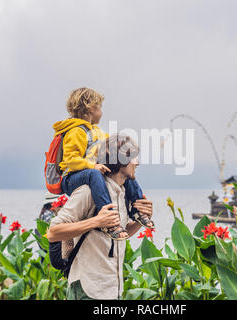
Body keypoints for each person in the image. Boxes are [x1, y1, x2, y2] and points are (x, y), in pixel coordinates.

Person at [47, 134, 153, 300]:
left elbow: (119, 235)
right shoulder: (88, 191)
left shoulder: (123, 193)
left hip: (112, 290)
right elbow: (53, 232)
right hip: (86, 290)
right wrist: (96, 221)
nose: (137, 162)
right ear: (120, 159)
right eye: (133, 157)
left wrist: (141, 220)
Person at [52, 87, 154, 240]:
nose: (101, 112)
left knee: (125, 173)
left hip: (92, 174)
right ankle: (108, 217)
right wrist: (92, 166)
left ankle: (138, 209)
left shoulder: (97, 131)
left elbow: (111, 146)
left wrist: (125, 155)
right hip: (72, 178)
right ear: (90, 108)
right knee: (94, 174)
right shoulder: (76, 132)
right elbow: (70, 160)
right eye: (99, 107)